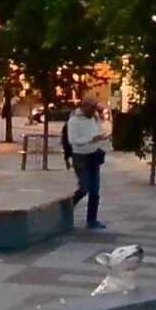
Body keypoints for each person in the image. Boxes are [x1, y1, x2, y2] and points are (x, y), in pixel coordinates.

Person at [65, 97, 111, 231]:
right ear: (84, 107)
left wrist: (100, 136)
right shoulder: (74, 121)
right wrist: (91, 139)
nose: (94, 110)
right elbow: (73, 140)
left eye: (95, 108)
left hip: (94, 154)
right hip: (80, 156)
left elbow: (98, 131)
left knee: (95, 190)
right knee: (84, 187)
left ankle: (92, 220)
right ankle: (68, 206)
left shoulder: (95, 117)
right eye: (91, 108)